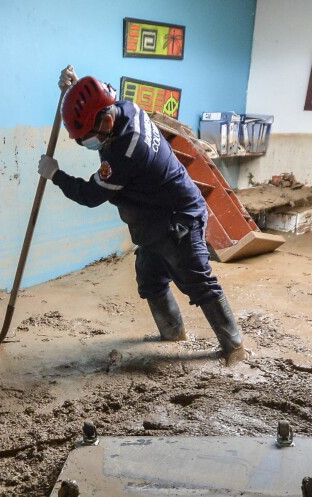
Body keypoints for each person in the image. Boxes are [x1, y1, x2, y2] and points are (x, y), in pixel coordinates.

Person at [37, 66, 245, 363]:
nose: (84, 143)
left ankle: (234, 348)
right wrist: (73, 90)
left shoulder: (127, 152)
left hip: (178, 218)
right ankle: (172, 334)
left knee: (199, 281)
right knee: (149, 278)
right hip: (154, 220)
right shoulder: (123, 108)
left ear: (107, 122)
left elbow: (90, 196)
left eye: (86, 138)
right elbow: (93, 107)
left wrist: (56, 175)